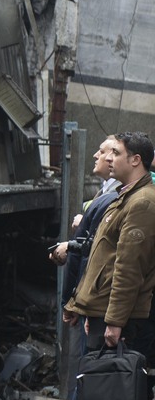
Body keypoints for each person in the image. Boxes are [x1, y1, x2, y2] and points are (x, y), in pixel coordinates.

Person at [64, 132, 155, 358]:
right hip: (102, 313)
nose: (108, 158)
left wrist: (114, 321)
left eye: (116, 153)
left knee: (111, 378)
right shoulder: (124, 196)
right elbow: (101, 257)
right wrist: (88, 308)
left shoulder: (142, 202)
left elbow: (129, 268)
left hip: (120, 321)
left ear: (135, 160)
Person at [50, 135, 120, 400]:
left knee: (88, 374)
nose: (97, 156)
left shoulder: (117, 200)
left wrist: (72, 300)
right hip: (95, 300)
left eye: (104, 152)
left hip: (97, 303)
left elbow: (105, 256)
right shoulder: (108, 196)